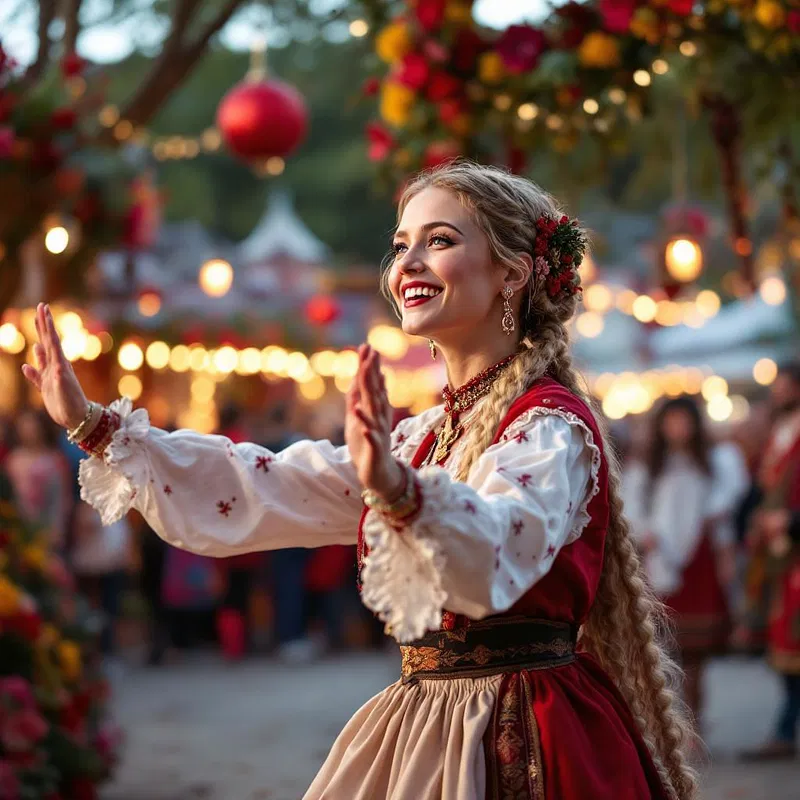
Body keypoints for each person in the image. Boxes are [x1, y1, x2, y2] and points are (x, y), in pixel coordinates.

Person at [23, 162, 697, 799]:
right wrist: (98, 428)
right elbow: (272, 484)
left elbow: (497, 542)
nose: (407, 263)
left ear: (513, 274)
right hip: (423, 722)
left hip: (527, 731)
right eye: (401, 243)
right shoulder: (420, 436)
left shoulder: (549, 428)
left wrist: (402, 492)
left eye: (440, 241)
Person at [621, 396, 748, 729]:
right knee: (656, 647)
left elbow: (721, 511)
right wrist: (645, 534)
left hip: (698, 559)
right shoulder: (647, 466)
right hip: (655, 559)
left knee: (695, 652)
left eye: (684, 421)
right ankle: (662, 722)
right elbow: (630, 511)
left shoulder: (712, 462)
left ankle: (695, 720)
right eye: (672, 421)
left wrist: (725, 557)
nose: (678, 428)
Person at [740, 361, 800, 760]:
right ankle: (784, 726)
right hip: (781, 555)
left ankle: (783, 729)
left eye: (785, 386)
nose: (778, 393)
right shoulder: (781, 432)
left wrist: (791, 522)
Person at [5, 407, 72, 550]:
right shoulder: (13, 460)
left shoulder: (54, 460)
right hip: (17, 527)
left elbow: (60, 499)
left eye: (32, 427)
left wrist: (56, 531)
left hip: (47, 527)